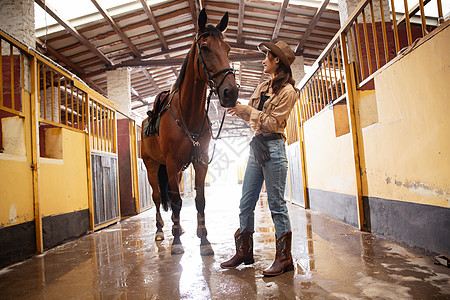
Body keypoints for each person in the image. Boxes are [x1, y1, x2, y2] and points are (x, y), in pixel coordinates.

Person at [220, 40, 298, 276]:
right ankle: (244, 252)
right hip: (257, 147)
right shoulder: (263, 87)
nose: (263, 60)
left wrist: (250, 112)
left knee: (276, 205)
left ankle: (284, 258)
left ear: (277, 61)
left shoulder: (288, 92)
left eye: (267, 57)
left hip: (274, 147)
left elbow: (273, 123)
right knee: (246, 202)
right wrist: (244, 111)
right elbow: (254, 118)